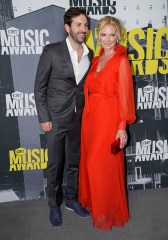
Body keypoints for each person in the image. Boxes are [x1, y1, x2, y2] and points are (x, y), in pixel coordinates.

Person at [34, 7, 93, 228]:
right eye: (78, 24)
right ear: (67, 27)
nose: (83, 29)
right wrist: (44, 116)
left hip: (78, 118)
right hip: (55, 118)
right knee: (55, 164)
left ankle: (71, 199)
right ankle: (53, 204)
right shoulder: (52, 51)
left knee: (73, 163)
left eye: (85, 25)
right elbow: (39, 87)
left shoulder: (90, 54)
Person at [78, 16, 136, 230]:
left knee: (103, 166)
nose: (108, 39)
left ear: (118, 36)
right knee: (92, 166)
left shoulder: (121, 60)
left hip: (109, 120)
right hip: (91, 119)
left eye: (112, 35)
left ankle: (107, 212)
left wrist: (122, 128)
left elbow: (125, 96)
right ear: (98, 35)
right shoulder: (96, 59)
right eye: (104, 34)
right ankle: (98, 205)